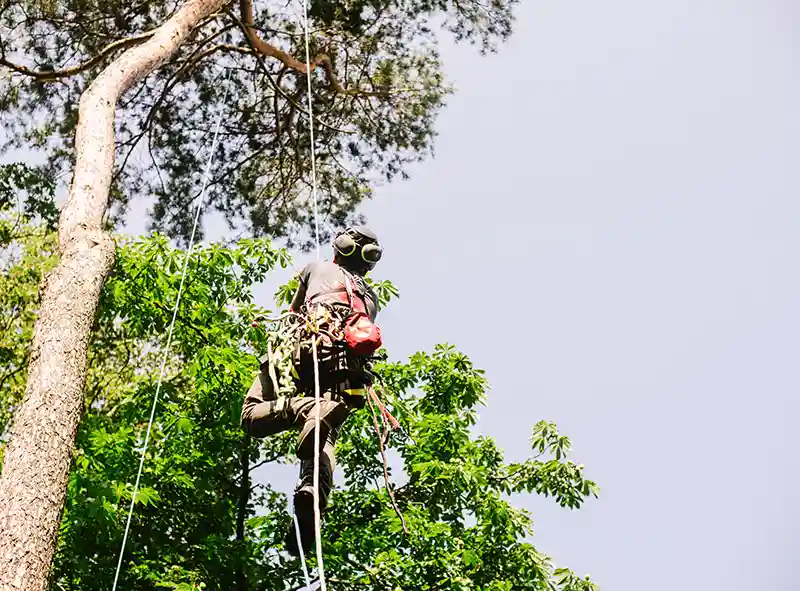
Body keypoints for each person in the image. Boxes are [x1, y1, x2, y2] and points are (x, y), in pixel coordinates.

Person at [240, 226, 383, 556]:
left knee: (251, 416)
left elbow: (293, 314)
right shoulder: (371, 298)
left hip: (303, 347)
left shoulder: (315, 268)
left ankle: (308, 410)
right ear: (369, 263)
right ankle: (313, 494)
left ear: (340, 248)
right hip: (347, 373)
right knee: (325, 436)